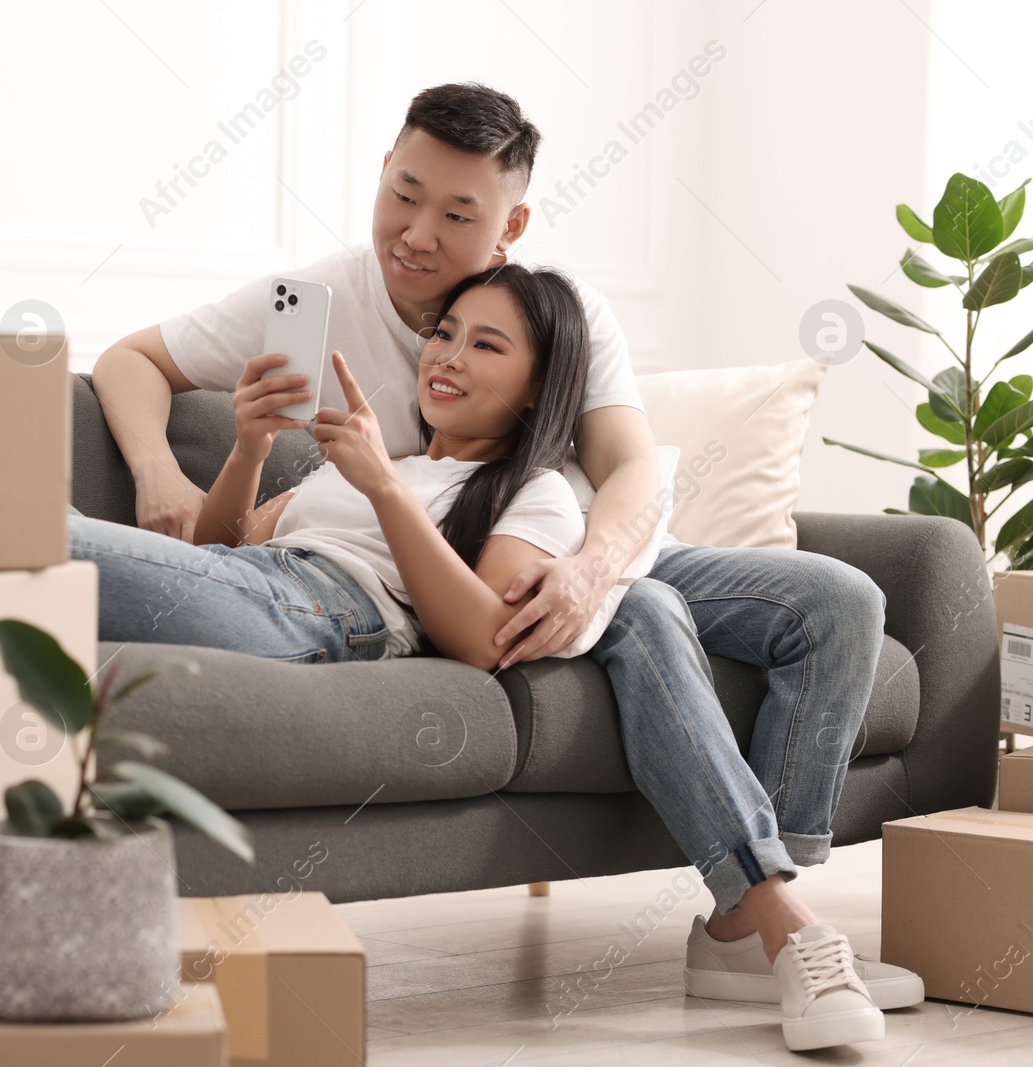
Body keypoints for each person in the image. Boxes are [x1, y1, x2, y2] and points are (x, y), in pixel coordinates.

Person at [85, 81, 917, 1051]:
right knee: (643, 618)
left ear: (510, 223)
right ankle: (767, 927)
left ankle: (757, 916)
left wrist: (594, 570)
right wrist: (164, 474)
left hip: (592, 538)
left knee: (824, 601)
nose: (415, 232)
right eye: (403, 193)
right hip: (463, 561)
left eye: (456, 213)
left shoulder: (559, 318)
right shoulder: (321, 306)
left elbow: (631, 470)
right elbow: (132, 363)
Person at [71, 263, 589, 667]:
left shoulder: (539, 491)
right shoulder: (369, 461)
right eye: (444, 333)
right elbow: (219, 549)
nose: (447, 357)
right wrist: (250, 450)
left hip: (319, 608)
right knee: (38, 530)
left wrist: (384, 488)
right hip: (249, 577)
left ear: (539, 385)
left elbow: (484, 641)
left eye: (485, 345)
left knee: (38, 542)